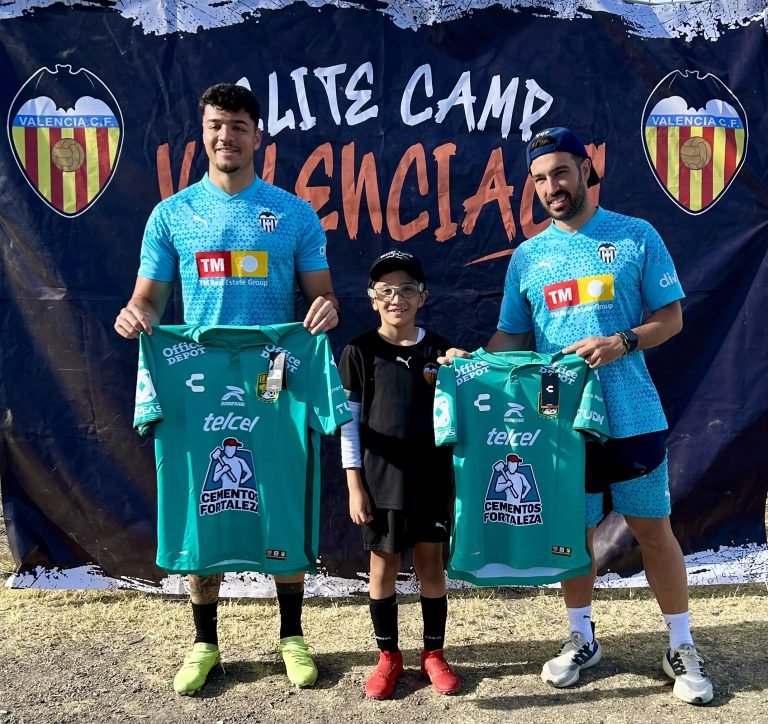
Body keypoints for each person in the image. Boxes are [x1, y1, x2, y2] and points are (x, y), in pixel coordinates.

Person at [441, 127, 713, 705]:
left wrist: (622, 340)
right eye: (540, 178)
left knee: (652, 531)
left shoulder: (635, 235)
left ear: (586, 170)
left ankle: (682, 644)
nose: (551, 187)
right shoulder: (529, 256)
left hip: (632, 414)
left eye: (561, 172)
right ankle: (582, 637)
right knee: (574, 535)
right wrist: (473, 363)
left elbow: (672, 318)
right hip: (557, 424)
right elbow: (513, 335)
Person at [114, 83, 339, 695]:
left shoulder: (292, 213)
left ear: (256, 134)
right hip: (198, 381)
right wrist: (134, 315)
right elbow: (149, 300)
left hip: (275, 380)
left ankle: (291, 634)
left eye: (238, 126)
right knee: (201, 499)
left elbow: (321, 294)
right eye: (216, 125)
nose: (226, 136)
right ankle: (204, 641)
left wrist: (323, 311)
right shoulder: (173, 215)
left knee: (282, 499)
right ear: (203, 131)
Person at [338, 250, 461, 700]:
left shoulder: (441, 351)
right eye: (386, 290)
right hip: (380, 484)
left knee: (431, 567)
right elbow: (348, 425)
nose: (397, 298)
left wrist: (462, 368)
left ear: (422, 297)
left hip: (431, 482)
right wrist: (355, 485)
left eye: (407, 289)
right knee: (383, 568)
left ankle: (434, 654)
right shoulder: (358, 351)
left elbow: (460, 412)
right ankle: (388, 657)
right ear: (372, 299)